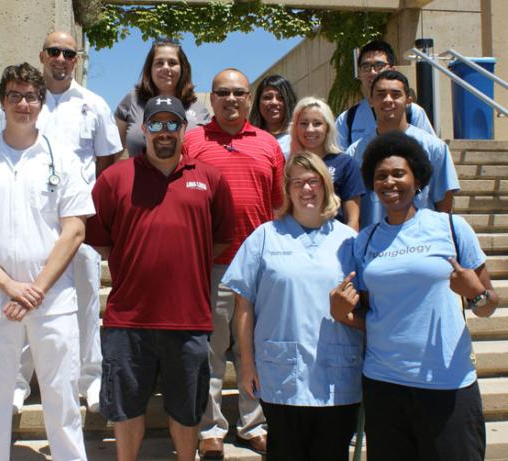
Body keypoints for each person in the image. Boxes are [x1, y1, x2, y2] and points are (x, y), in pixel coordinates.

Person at [0, 63, 93, 461]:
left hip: (53, 301)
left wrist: (35, 289)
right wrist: (10, 287)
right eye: (15, 96)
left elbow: (74, 231)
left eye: (30, 96)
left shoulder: (62, 159)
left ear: (41, 102)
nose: (23, 104)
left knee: (61, 400)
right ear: (2, 101)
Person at [331, 131, 498, 461]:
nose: (389, 182)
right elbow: (374, 316)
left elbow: (489, 305)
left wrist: (475, 295)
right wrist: (343, 314)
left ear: (418, 178)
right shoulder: (364, 241)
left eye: (398, 173)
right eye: (380, 176)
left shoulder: (451, 227)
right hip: (384, 384)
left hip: (447, 384)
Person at [86, 95, 235, 461]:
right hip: (128, 320)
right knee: (126, 409)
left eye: (172, 124)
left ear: (185, 129)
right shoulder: (114, 179)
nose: (164, 131)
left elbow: (219, 240)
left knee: (186, 411)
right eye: (156, 123)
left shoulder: (210, 179)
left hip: (189, 320)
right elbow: (102, 241)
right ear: (143, 129)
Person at [0, 30, 121, 414]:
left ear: (76, 59)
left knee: (84, 305)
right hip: (27, 223)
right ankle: (17, 384)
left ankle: (90, 381)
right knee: (25, 299)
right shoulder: (23, 103)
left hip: (77, 226)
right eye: (54, 52)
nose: (61, 58)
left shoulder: (94, 105)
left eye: (68, 52)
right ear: (42, 55)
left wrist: (91, 218)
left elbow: (107, 165)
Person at [225, 152, 363, 460]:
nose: (306, 189)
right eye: (297, 182)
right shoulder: (264, 236)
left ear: (327, 186)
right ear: (287, 190)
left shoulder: (350, 241)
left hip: (337, 376)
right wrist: (247, 361)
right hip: (281, 373)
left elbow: (368, 304)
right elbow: (243, 303)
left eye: (314, 181)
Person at [184, 67, 285, 459]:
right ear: (211, 99)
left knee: (254, 350)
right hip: (212, 266)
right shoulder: (193, 142)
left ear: (249, 98)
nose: (231, 99)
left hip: (259, 266)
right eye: (222, 93)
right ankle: (210, 430)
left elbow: (278, 205)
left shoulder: (268, 145)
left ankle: (253, 423)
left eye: (239, 93)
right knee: (211, 350)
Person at [346, 70, 459, 228]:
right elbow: (352, 208)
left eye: (395, 94)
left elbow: (443, 206)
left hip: (422, 241)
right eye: (380, 94)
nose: (388, 100)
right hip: (375, 245)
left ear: (408, 101)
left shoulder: (434, 148)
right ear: (371, 100)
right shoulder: (355, 152)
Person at [115, 37, 210, 157]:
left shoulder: (199, 109)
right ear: (150, 69)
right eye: (159, 63)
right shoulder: (132, 100)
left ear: (183, 69)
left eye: (172, 63)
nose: (166, 67)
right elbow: (113, 153)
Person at [335, 39, 435, 150]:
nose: (372, 72)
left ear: (392, 69)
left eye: (379, 65)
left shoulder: (413, 113)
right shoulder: (347, 119)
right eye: (366, 67)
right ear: (359, 73)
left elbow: (429, 151)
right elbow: (339, 162)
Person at [289, 97, 365, 231]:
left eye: (317, 123)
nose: (310, 129)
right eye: (304, 123)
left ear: (328, 127)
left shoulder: (346, 164)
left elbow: (353, 220)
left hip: (334, 244)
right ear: (296, 127)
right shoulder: (288, 165)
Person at [249, 74, 298, 159]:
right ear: (258, 103)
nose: (274, 102)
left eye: (281, 98)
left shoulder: (300, 137)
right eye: (267, 97)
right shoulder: (248, 139)